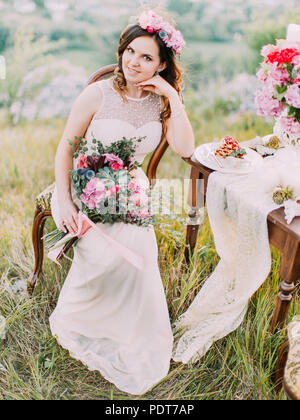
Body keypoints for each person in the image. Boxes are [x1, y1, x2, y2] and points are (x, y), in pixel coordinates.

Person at [49, 9, 195, 395]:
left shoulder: (161, 102)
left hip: (129, 185)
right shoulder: (97, 94)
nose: (134, 61)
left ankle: (131, 327)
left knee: (136, 245)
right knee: (107, 249)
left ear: (162, 64)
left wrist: (171, 96)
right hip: (84, 181)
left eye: (147, 57)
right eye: (130, 51)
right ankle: (88, 315)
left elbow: (185, 148)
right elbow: (65, 151)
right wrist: (63, 200)